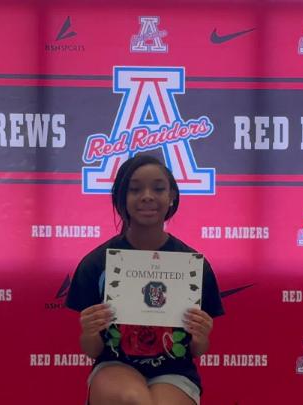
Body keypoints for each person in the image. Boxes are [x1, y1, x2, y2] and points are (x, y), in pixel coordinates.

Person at [66, 154, 224, 405]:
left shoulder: (194, 266)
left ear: (171, 195)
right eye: (135, 189)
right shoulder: (96, 264)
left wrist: (201, 336)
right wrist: (90, 330)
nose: (147, 196)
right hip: (113, 366)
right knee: (133, 399)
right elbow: (92, 350)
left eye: (158, 188)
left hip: (176, 373)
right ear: (121, 198)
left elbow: (197, 350)